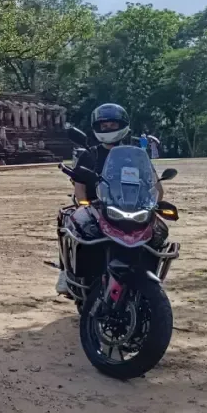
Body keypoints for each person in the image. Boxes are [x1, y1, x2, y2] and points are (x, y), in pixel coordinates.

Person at [57, 103, 162, 294]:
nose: (108, 129)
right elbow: (79, 185)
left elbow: (153, 183)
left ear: (122, 125)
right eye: (104, 126)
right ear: (97, 127)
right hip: (96, 206)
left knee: (158, 229)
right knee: (68, 220)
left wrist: (153, 200)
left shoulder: (136, 155)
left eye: (112, 125)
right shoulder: (90, 154)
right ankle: (65, 272)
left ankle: (148, 272)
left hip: (130, 206)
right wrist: (83, 205)